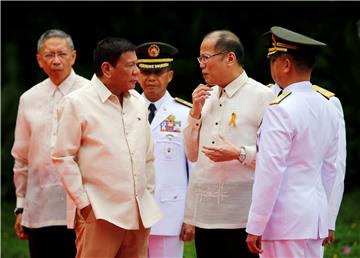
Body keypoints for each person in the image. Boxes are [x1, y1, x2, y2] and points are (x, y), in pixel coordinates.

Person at [51, 37, 162, 258]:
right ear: (107, 69)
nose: (136, 72)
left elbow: (147, 157)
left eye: (137, 65)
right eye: (130, 65)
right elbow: (63, 157)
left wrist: (147, 193)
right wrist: (84, 205)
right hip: (99, 213)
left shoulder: (139, 103)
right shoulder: (77, 103)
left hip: (140, 214)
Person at [245, 26, 339, 258]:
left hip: (283, 222)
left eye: (273, 61)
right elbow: (332, 168)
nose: (272, 68)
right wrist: (327, 217)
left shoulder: (280, 108)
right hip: (313, 219)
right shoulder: (328, 104)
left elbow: (270, 171)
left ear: (285, 64)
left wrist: (255, 225)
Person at [183, 30, 275, 258]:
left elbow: (274, 155)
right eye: (199, 59)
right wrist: (194, 114)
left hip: (242, 214)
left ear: (230, 58)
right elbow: (192, 154)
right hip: (206, 213)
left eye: (206, 57)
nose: (201, 65)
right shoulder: (206, 97)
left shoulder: (262, 96)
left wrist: (238, 153)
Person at [11, 29, 89, 258]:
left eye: (61, 54)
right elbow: (22, 157)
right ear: (39, 60)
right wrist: (20, 205)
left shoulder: (90, 94)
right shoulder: (28, 98)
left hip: (82, 207)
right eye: (49, 55)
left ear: (73, 57)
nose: (56, 60)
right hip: (40, 207)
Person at [267, 82, 347, 250]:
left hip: (308, 216)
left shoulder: (326, 102)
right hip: (256, 214)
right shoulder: (261, 95)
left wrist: (328, 218)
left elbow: (335, 165)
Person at [136, 41, 195, 258]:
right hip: (133, 214)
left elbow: (194, 169)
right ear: (136, 73)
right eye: (145, 71)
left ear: (169, 76)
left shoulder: (185, 114)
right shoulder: (124, 110)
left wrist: (191, 216)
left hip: (170, 213)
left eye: (158, 72)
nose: (151, 78)